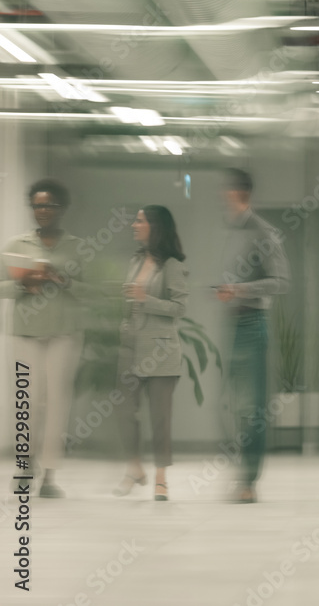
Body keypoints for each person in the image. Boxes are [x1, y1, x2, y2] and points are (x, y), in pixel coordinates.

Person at [1, 179, 86, 498]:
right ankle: (24, 466)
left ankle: (49, 475)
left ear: (61, 208)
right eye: (37, 205)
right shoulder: (15, 245)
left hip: (64, 333)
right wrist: (23, 285)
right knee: (26, 400)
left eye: (49, 205)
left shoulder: (77, 246)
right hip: (25, 332)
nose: (42, 211)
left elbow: (92, 291)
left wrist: (62, 280)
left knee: (55, 403)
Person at [216, 168, 289, 504]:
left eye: (226, 191)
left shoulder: (262, 232)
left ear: (237, 193)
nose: (223, 197)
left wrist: (240, 289)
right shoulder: (234, 233)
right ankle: (241, 477)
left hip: (254, 325)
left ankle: (249, 482)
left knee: (253, 407)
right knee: (233, 404)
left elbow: (281, 282)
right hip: (234, 325)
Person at [114, 206, 189, 502]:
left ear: (156, 227)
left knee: (160, 418)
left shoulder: (173, 264)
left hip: (160, 352)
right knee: (122, 410)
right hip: (129, 348)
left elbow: (180, 308)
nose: (134, 224)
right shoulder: (135, 260)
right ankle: (134, 467)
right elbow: (130, 300)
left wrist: (146, 299)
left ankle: (161, 478)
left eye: (140, 221)